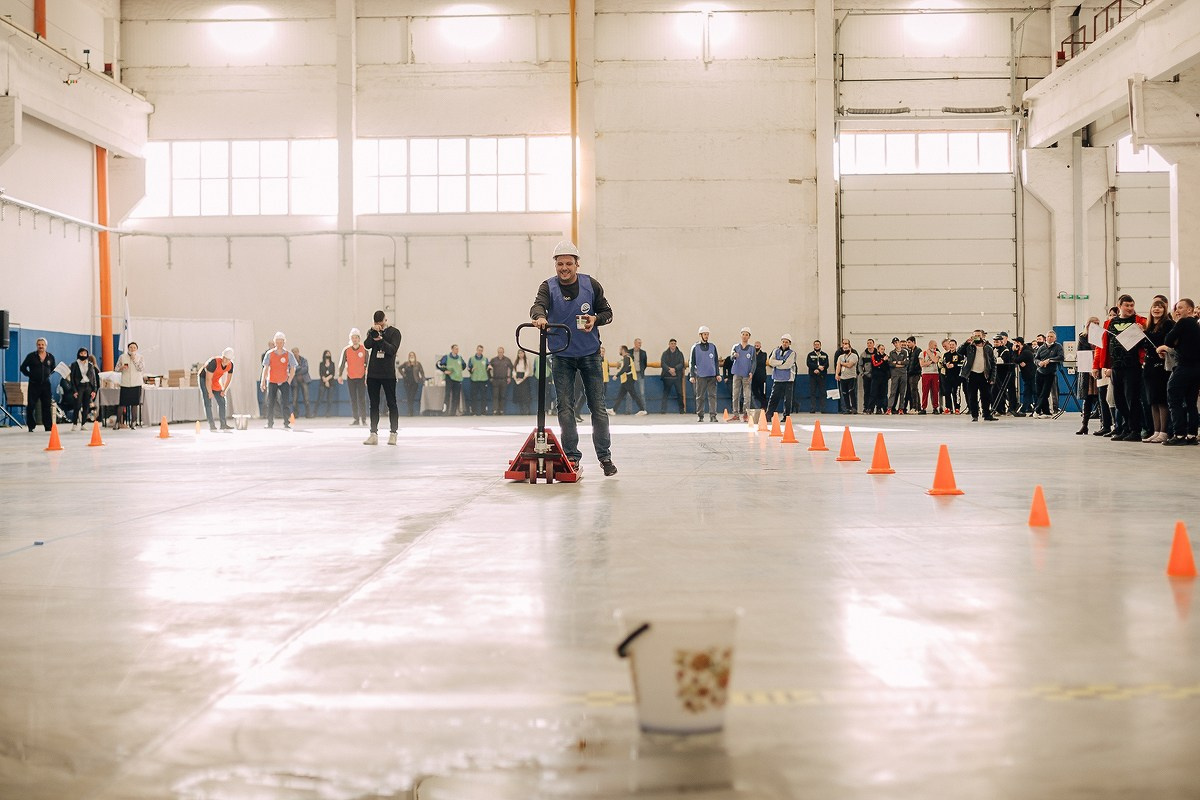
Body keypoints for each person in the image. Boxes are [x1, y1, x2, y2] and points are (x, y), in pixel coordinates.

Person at [529, 240, 617, 476]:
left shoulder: (591, 285)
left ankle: (605, 457)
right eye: (560, 264)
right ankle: (571, 457)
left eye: (569, 263)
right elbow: (537, 307)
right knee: (565, 407)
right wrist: (540, 317)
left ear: (577, 264)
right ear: (555, 265)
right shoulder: (548, 287)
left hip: (589, 354)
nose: (564, 268)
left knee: (598, 407)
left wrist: (595, 320)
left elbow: (608, 313)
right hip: (562, 356)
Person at [1094, 294, 1148, 442]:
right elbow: (1102, 345)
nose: (1130, 308)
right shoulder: (1110, 323)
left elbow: (1147, 341)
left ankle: (1135, 430)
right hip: (1116, 367)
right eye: (1127, 306)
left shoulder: (1140, 321)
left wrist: (1144, 331)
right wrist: (1100, 365)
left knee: (1132, 399)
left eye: (1132, 306)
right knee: (1118, 400)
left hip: (1133, 366)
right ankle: (1127, 427)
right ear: (1120, 307)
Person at [1161, 298, 1200, 445]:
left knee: (1174, 398)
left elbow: (1168, 340)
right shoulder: (1197, 325)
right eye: (1176, 308)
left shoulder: (1183, 323)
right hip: (1197, 369)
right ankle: (1191, 435)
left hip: (1183, 367)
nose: (1177, 311)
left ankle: (1179, 434)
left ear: (1190, 309)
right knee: (1191, 402)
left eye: (1180, 308)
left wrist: (1176, 340)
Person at [362, 310, 402, 445]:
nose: (380, 326)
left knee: (392, 403)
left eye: (381, 323)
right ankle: (373, 433)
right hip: (373, 373)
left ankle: (393, 433)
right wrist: (372, 333)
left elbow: (391, 350)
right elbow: (367, 345)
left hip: (388, 374)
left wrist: (380, 339)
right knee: (373, 405)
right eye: (377, 324)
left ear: (386, 320)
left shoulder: (394, 333)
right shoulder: (373, 332)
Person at [1141, 298, 1175, 443]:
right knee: (1152, 400)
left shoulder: (1168, 324)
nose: (1157, 309)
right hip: (1149, 365)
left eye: (1160, 307)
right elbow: (1145, 345)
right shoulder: (1148, 326)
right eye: (1154, 306)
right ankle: (1156, 431)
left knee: (1161, 399)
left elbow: (1167, 341)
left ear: (1164, 309)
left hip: (1161, 366)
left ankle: (1164, 431)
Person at [957, 330, 997, 422]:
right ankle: (974, 415)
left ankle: (986, 414)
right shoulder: (969, 347)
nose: (977, 337)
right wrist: (965, 343)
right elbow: (959, 352)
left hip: (984, 374)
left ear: (983, 336)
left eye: (978, 335)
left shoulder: (988, 348)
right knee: (972, 396)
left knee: (986, 396)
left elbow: (993, 363)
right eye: (975, 336)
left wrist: (992, 377)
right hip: (972, 374)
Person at [260, 332, 297, 430]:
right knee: (270, 402)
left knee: (285, 402)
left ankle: (286, 422)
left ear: (284, 342)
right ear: (274, 342)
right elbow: (266, 368)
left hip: (284, 381)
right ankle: (270, 423)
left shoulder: (289, 354)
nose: (279, 344)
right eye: (277, 342)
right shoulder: (269, 354)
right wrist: (263, 381)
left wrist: (289, 380)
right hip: (272, 381)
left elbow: (293, 368)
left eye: (281, 342)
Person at [690, 326, 721, 422]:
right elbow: (692, 362)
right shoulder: (695, 347)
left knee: (712, 396)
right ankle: (700, 415)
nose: (706, 336)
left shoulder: (712, 346)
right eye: (704, 334)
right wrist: (692, 375)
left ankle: (713, 415)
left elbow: (716, 361)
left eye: (707, 334)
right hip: (700, 375)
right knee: (700, 396)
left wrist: (718, 374)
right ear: (700, 335)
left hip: (711, 375)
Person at [199, 348, 235, 431]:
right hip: (204, 379)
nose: (225, 361)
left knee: (222, 401)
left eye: (228, 359)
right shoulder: (213, 363)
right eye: (224, 358)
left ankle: (223, 424)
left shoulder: (231, 365)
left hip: (215, 380)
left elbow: (228, 379)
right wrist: (209, 392)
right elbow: (208, 379)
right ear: (222, 356)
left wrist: (224, 390)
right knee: (208, 402)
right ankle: (212, 424)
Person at [338, 329, 368, 426]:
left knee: (362, 399)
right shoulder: (346, 350)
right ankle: (356, 419)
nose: (355, 340)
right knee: (353, 399)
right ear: (351, 339)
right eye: (353, 338)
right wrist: (339, 375)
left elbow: (368, 364)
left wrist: (368, 377)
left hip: (361, 377)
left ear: (359, 339)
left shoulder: (364, 350)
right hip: (351, 377)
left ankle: (363, 419)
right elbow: (342, 363)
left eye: (356, 338)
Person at [765, 334, 797, 422]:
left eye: (787, 342)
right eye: (783, 341)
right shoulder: (775, 351)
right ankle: (768, 415)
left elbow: (788, 365)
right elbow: (771, 362)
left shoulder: (792, 353)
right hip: (777, 379)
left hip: (788, 379)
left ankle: (786, 417)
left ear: (789, 343)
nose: (784, 343)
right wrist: (782, 362)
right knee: (773, 398)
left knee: (787, 400)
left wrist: (777, 365)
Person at [1033, 331, 1064, 418]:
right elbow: (1035, 358)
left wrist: (1049, 360)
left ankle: (1037, 410)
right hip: (1039, 372)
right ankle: (1046, 412)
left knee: (1045, 393)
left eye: (1051, 336)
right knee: (1039, 393)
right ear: (1046, 338)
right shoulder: (1041, 347)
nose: (1050, 338)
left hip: (1050, 373)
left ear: (1055, 338)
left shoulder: (1058, 346)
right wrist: (1039, 363)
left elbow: (1061, 357)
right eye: (1048, 336)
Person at [68, 347, 99, 430]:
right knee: (77, 405)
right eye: (81, 353)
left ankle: (83, 424)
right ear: (78, 354)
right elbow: (72, 379)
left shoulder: (90, 365)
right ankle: (74, 423)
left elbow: (94, 378)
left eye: (85, 353)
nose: (83, 355)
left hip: (88, 386)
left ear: (87, 354)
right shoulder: (74, 364)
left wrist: (94, 390)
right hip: (79, 387)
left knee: (86, 406)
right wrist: (74, 390)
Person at [116, 341, 144, 429]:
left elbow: (140, 368)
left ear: (137, 349)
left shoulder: (140, 357)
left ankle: (133, 423)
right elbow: (116, 368)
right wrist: (121, 368)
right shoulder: (122, 357)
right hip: (125, 383)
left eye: (134, 348)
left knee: (134, 404)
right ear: (128, 348)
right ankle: (117, 423)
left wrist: (134, 359)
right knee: (122, 404)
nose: (132, 349)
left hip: (136, 383)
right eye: (131, 347)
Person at [729, 327, 755, 422]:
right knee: (735, 394)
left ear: (749, 337)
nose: (744, 336)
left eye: (746, 335)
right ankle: (735, 414)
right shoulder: (736, 347)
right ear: (740, 335)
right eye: (743, 334)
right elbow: (731, 357)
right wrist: (734, 355)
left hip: (746, 374)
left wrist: (751, 372)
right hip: (737, 373)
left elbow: (754, 362)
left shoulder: (751, 349)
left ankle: (745, 414)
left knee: (747, 395)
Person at [613, 344, 646, 415]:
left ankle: (642, 409)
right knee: (620, 395)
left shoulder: (626, 358)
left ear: (623, 350)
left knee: (634, 394)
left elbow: (625, 368)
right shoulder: (626, 358)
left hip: (629, 379)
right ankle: (613, 410)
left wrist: (617, 375)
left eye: (620, 349)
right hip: (626, 379)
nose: (619, 351)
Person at [436, 345, 467, 416]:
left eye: (458, 349)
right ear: (452, 349)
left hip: (457, 379)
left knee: (456, 396)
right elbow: (438, 364)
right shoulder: (446, 357)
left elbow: (464, 365)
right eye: (456, 349)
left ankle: (453, 412)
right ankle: (445, 411)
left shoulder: (460, 358)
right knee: (447, 395)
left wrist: (458, 371)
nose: (457, 350)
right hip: (449, 378)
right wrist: (445, 370)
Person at [659, 338, 687, 414]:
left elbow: (682, 364)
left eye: (674, 344)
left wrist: (674, 369)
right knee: (665, 393)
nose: (673, 345)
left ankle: (681, 409)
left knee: (679, 393)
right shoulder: (665, 353)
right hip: (667, 377)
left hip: (677, 376)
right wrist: (669, 369)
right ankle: (663, 410)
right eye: (672, 343)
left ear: (676, 344)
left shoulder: (680, 354)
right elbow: (663, 363)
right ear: (669, 344)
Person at [398, 352, 426, 417]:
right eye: (410, 355)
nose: (411, 356)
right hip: (407, 382)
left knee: (412, 396)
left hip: (415, 382)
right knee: (408, 396)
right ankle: (410, 412)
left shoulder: (418, 364)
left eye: (412, 355)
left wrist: (423, 379)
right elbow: (399, 368)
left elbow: (422, 372)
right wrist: (404, 375)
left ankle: (411, 411)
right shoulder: (406, 364)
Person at [835, 339, 859, 414]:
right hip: (843, 378)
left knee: (852, 393)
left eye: (847, 348)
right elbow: (838, 366)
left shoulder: (854, 356)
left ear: (850, 348)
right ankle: (847, 408)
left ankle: (854, 408)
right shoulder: (840, 356)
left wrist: (842, 363)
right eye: (844, 348)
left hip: (851, 377)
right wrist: (837, 374)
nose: (845, 349)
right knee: (844, 393)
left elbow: (850, 365)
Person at [886, 337, 909, 414]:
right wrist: (898, 364)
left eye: (896, 342)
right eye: (894, 343)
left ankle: (901, 408)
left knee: (902, 392)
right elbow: (891, 363)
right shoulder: (891, 353)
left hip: (903, 374)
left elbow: (906, 362)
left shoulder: (905, 352)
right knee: (893, 392)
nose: (896, 344)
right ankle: (889, 408)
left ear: (899, 343)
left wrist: (897, 363)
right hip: (895, 374)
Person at [488, 347, 513, 415]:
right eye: (499, 352)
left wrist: (509, 377)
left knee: (503, 396)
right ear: (497, 352)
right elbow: (488, 369)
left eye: (501, 352)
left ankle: (501, 410)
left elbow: (511, 369)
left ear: (503, 352)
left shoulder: (507, 360)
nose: (500, 353)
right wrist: (490, 377)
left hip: (504, 380)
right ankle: (495, 410)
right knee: (495, 396)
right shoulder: (493, 360)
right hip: (495, 380)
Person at [466, 345, 490, 416]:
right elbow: (469, 368)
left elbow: (488, 367)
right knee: (474, 396)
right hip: (474, 380)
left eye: (481, 350)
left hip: (483, 380)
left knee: (484, 396)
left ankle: (483, 412)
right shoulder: (472, 359)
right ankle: (473, 411)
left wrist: (489, 368)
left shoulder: (485, 359)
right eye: (479, 350)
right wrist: (471, 370)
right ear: (476, 350)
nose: (480, 351)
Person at [806, 340, 829, 414]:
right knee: (812, 392)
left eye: (818, 344)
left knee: (823, 392)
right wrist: (817, 367)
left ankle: (823, 409)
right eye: (815, 344)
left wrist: (821, 369)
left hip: (822, 376)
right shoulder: (810, 355)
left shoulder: (824, 355)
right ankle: (812, 409)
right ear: (813, 345)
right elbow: (809, 364)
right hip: (813, 376)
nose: (816, 346)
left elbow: (826, 364)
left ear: (820, 345)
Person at [941, 339, 963, 415]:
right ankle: (948, 408)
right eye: (950, 345)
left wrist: (954, 365)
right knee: (947, 392)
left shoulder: (959, 355)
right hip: (948, 377)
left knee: (956, 393)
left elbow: (961, 365)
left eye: (953, 345)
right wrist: (946, 365)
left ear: (956, 345)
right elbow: (942, 363)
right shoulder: (946, 355)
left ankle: (957, 408)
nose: (951, 346)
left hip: (956, 377)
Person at [918, 339, 940, 414]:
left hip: (935, 373)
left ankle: (935, 407)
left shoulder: (937, 353)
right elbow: (922, 364)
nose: (936, 347)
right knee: (925, 391)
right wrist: (930, 361)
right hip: (926, 373)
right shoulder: (922, 353)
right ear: (930, 345)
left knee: (935, 391)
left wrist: (929, 355)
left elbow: (936, 360)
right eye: (935, 345)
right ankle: (923, 407)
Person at [291, 347, 312, 418]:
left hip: (304, 381)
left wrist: (297, 370)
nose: (295, 353)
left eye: (296, 352)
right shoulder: (290, 361)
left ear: (298, 352)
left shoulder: (304, 360)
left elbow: (306, 369)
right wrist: (299, 368)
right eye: (293, 352)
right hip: (295, 381)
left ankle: (308, 414)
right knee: (294, 399)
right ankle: (296, 414)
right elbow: (291, 370)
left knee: (306, 398)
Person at [751, 340, 769, 416]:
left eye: (758, 346)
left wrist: (754, 360)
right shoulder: (752, 354)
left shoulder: (764, 354)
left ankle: (764, 406)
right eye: (755, 346)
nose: (756, 347)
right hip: (753, 377)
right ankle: (764, 403)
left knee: (762, 393)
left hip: (762, 377)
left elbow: (761, 362)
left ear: (760, 346)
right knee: (754, 392)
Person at [630, 338, 649, 412]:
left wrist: (641, 370)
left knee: (642, 392)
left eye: (640, 343)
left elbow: (645, 364)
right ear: (635, 343)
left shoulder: (643, 353)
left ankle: (643, 410)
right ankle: (628, 411)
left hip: (640, 373)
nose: (640, 344)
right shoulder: (630, 352)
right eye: (638, 343)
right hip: (631, 374)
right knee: (629, 392)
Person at [512, 350, 532, 414]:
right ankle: (521, 411)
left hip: (524, 378)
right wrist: (515, 378)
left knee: (525, 395)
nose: (520, 355)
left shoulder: (526, 361)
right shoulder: (516, 361)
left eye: (522, 353)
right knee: (519, 395)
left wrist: (523, 378)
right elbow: (514, 371)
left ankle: (527, 410)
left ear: (524, 354)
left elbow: (527, 371)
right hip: (517, 378)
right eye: (519, 353)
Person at [317, 350, 337, 417]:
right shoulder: (321, 364)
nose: (328, 355)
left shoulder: (332, 364)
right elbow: (321, 373)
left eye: (329, 354)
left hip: (331, 382)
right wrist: (325, 381)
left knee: (330, 399)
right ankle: (315, 412)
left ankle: (328, 413)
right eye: (327, 354)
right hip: (323, 382)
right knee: (320, 397)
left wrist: (328, 379)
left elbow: (333, 373)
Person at [860, 338, 876, 414]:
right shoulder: (863, 354)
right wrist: (862, 373)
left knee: (874, 392)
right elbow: (860, 365)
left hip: (875, 376)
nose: (869, 344)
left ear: (873, 344)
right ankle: (866, 407)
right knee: (866, 392)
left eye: (870, 343)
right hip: (866, 376)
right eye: (868, 343)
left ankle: (872, 408)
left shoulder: (877, 353)